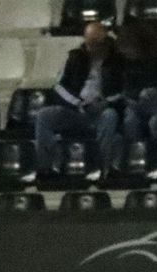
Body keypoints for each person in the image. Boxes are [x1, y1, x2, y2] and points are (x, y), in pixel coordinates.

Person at [98, 20, 157, 170]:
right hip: (138, 108)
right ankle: (138, 160)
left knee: (156, 121)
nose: (125, 52)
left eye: (128, 48)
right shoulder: (122, 62)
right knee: (130, 120)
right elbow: (117, 90)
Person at [35, 21, 124, 170]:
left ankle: (102, 167)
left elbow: (124, 90)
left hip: (102, 111)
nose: (90, 48)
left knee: (110, 116)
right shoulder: (75, 57)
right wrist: (77, 103)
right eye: (88, 43)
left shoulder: (118, 60)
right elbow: (59, 87)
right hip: (75, 109)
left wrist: (106, 102)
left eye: (95, 44)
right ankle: (45, 167)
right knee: (44, 115)